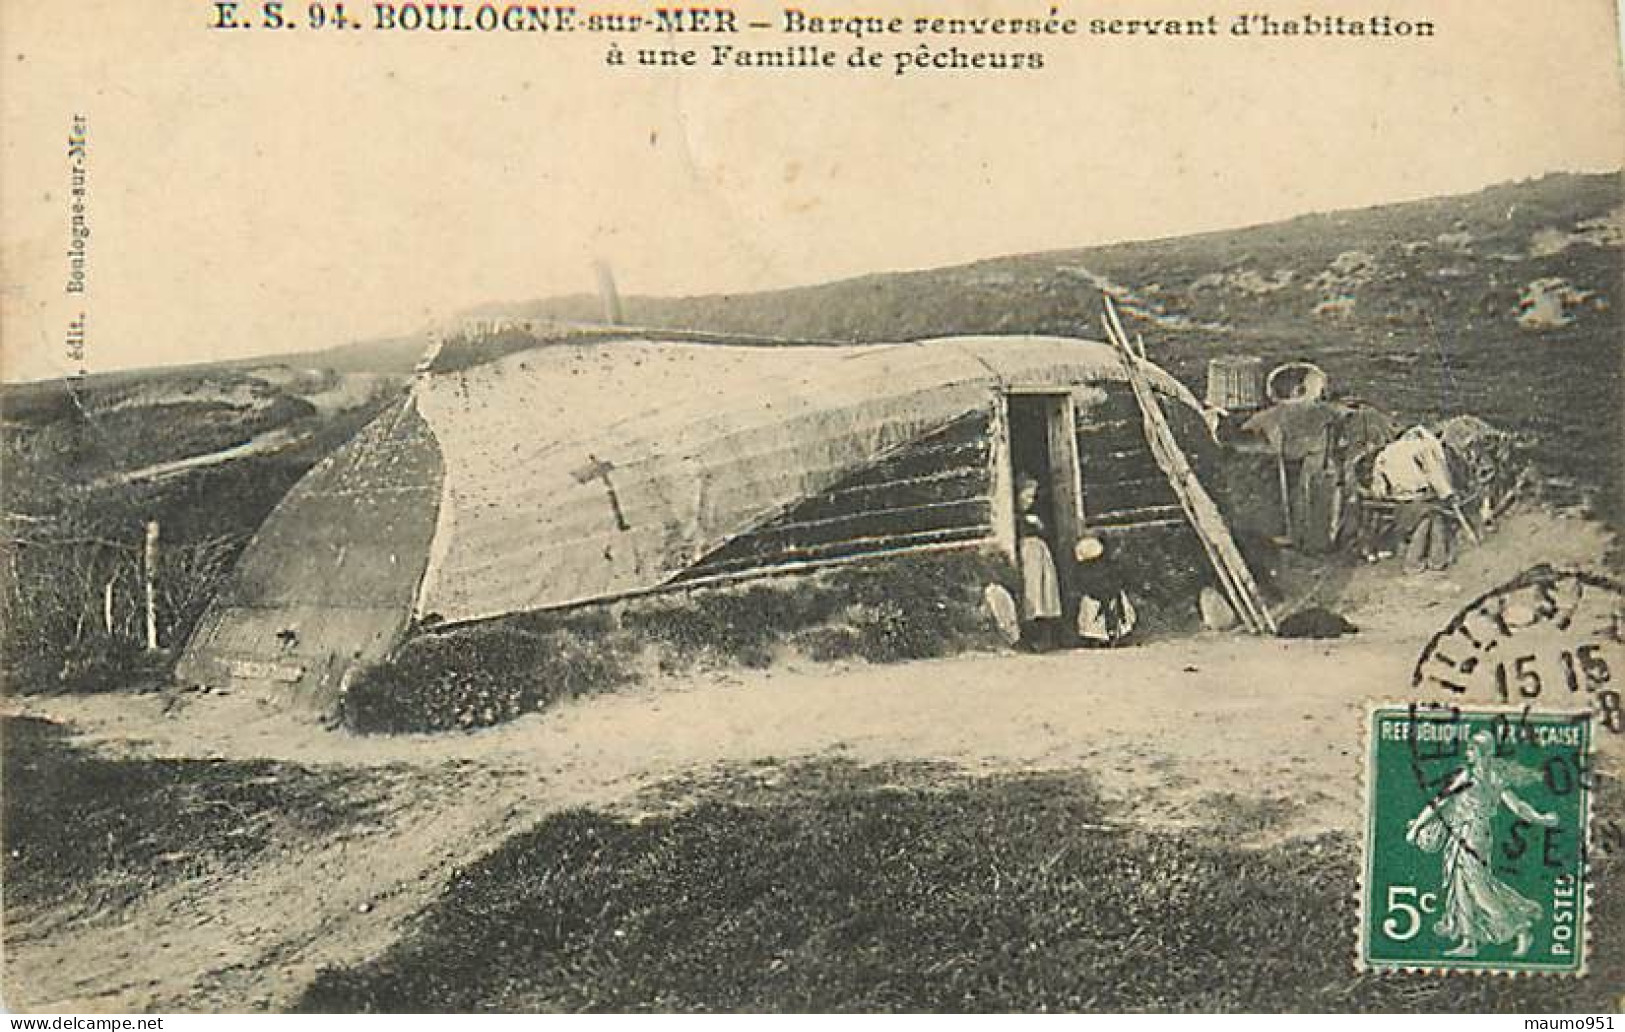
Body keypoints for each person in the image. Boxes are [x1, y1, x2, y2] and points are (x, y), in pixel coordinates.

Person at [1405, 729, 1557, 958]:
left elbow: (1440, 801)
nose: (1468, 753)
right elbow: (1518, 807)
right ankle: (1469, 942)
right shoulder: (1496, 778)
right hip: (1471, 834)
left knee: (1478, 889)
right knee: (1461, 887)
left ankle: (1520, 928)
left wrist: (1417, 827)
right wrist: (1540, 818)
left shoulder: (1468, 776)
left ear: (1484, 753)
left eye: (1472, 749)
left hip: (1470, 836)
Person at [1014, 473, 1064, 651]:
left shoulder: (1035, 517)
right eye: (1026, 496)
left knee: (1045, 591)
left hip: (1040, 553)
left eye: (1032, 497)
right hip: (1028, 555)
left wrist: (1039, 526)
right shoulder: (1014, 518)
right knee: (1032, 592)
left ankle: (1046, 636)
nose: (1030, 501)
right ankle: (1031, 636)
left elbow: (1046, 532)